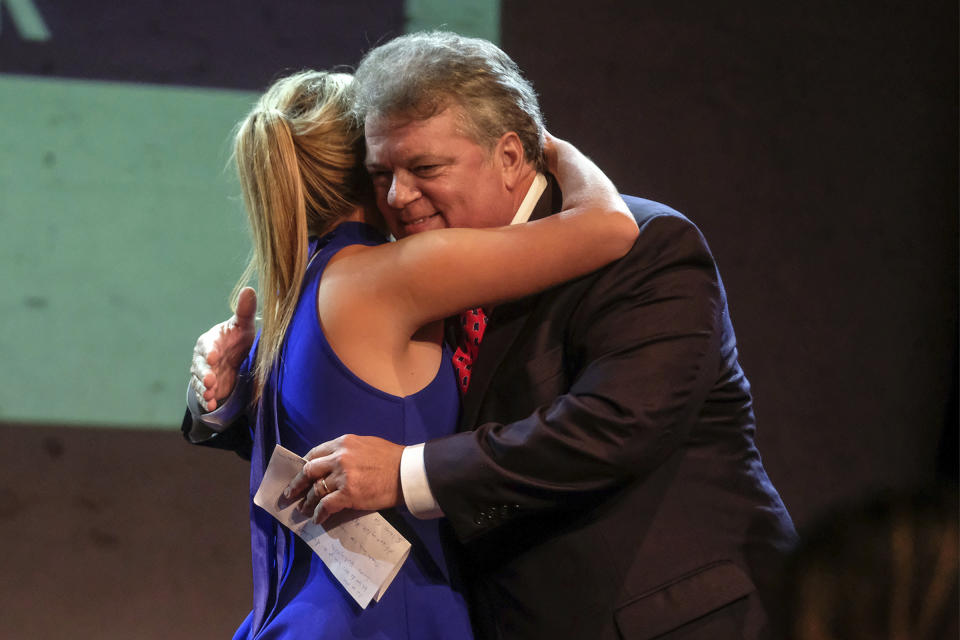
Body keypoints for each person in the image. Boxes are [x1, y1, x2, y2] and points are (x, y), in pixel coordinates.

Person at [191, 32, 797, 639]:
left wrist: (405, 473)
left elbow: (615, 426)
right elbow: (348, 429)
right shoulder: (417, 270)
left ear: (510, 155)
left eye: (425, 168)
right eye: (382, 174)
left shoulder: (649, 247)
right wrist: (229, 403)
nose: (400, 196)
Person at [183, 68, 638, 640]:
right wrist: (552, 148)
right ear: (370, 162)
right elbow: (610, 229)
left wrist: (215, 402)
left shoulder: (293, 295)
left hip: (300, 617)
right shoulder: (396, 274)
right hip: (387, 620)